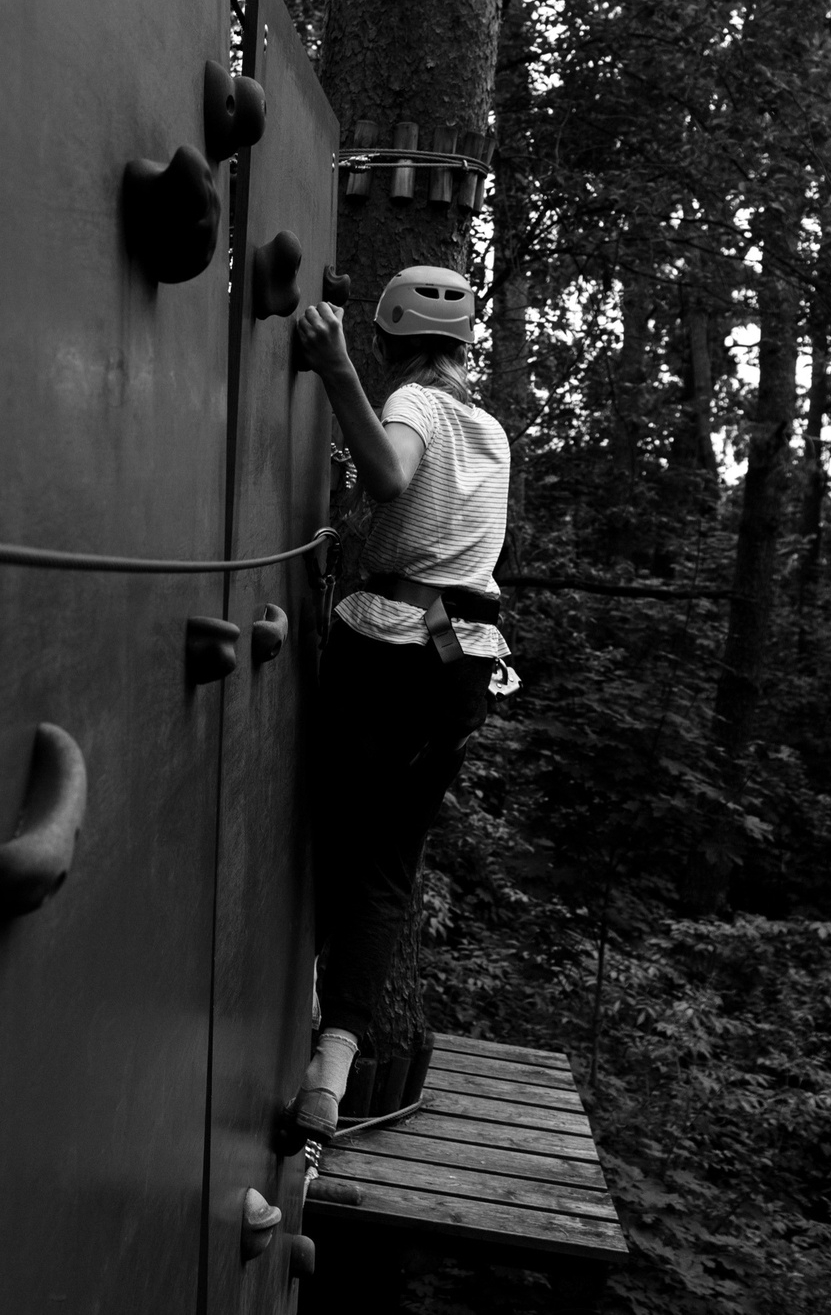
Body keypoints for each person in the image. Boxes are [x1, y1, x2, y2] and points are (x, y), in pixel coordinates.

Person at [285, 264, 513, 1141]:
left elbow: (388, 477)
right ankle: (331, 1070)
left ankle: (290, 1000)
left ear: (387, 342)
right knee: (384, 867)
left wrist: (336, 369)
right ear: (461, 347)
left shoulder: (413, 403)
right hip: (462, 669)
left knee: (320, 831)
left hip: (387, 650)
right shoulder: (490, 430)